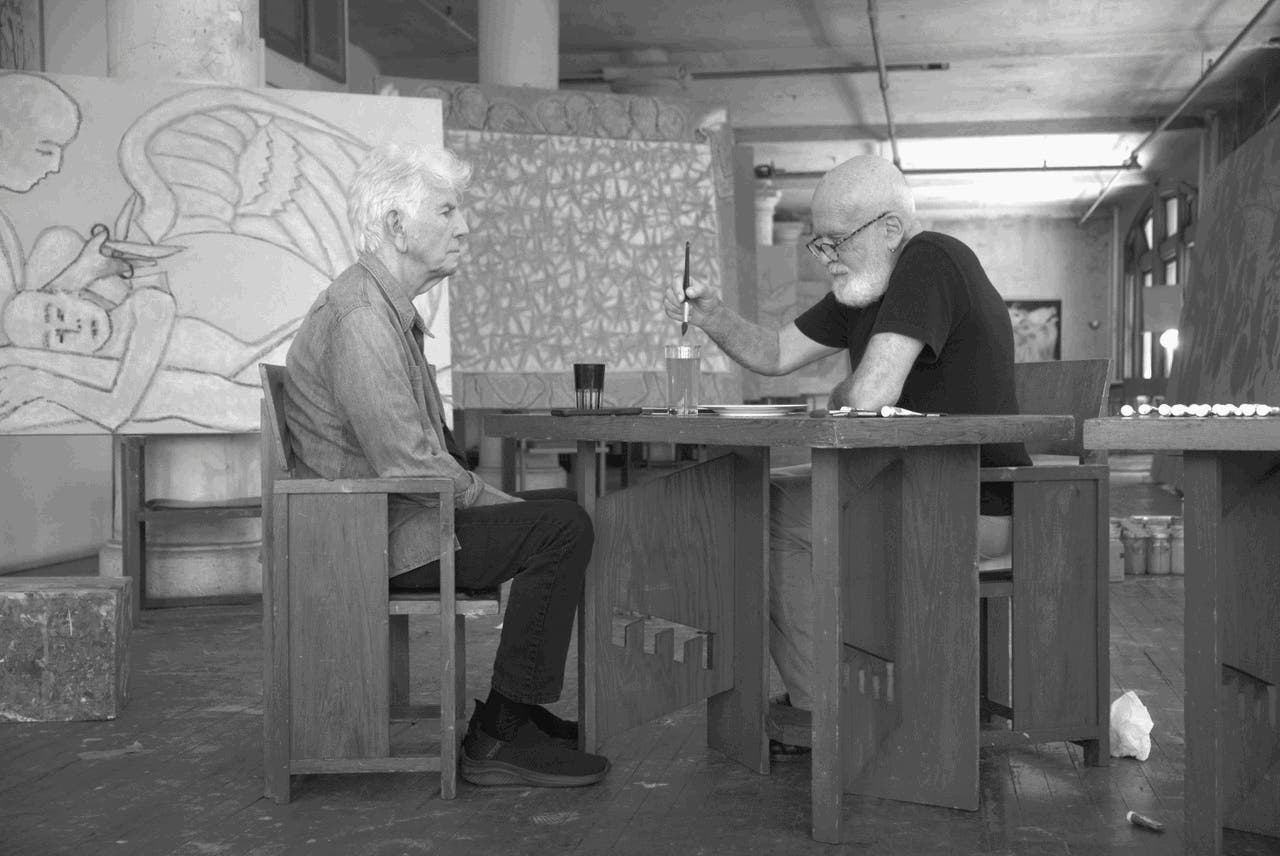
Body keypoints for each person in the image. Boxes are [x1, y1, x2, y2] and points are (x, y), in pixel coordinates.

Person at [663, 154, 1029, 753]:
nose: (828, 256)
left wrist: (843, 393)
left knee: (766, 512)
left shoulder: (929, 258)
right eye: (819, 243)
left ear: (890, 229)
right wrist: (713, 317)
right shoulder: (868, 285)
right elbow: (776, 353)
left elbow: (869, 395)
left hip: (969, 501)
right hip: (912, 485)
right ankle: (837, 694)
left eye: (837, 240)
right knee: (758, 498)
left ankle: (827, 708)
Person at [283, 143, 609, 787]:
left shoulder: (380, 308)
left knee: (563, 512)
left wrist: (495, 502)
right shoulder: (360, 317)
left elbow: (422, 456)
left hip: (392, 520)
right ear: (397, 226)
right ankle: (502, 732)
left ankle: (513, 712)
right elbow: (409, 465)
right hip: (374, 538)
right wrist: (497, 503)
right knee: (562, 528)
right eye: (447, 211)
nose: (464, 227)